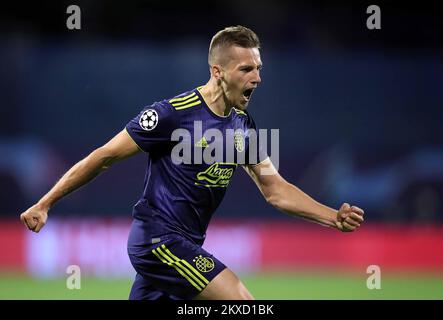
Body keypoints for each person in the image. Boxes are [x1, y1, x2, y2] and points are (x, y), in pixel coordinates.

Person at [19, 25, 364, 300]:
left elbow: (276, 190)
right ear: (217, 71)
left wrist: (332, 217)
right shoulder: (171, 114)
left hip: (185, 246)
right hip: (158, 241)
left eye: (258, 68)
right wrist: (45, 203)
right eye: (246, 69)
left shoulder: (242, 126)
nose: (257, 78)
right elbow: (104, 157)